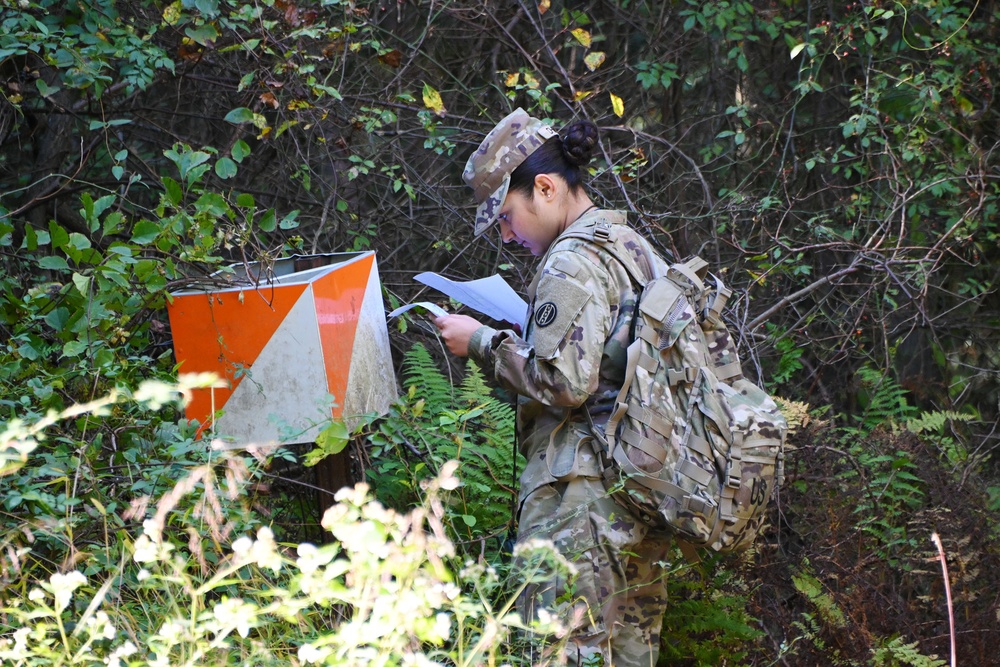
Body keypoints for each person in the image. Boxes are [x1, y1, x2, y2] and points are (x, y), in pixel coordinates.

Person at [433, 108, 673, 666]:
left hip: (580, 495)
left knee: (562, 650)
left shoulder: (571, 259)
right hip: (639, 485)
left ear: (545, 188)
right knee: (629, 652)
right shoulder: (630, 246)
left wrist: (482, 342)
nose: (507, 234)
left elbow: (565, 381)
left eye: (507, 216)